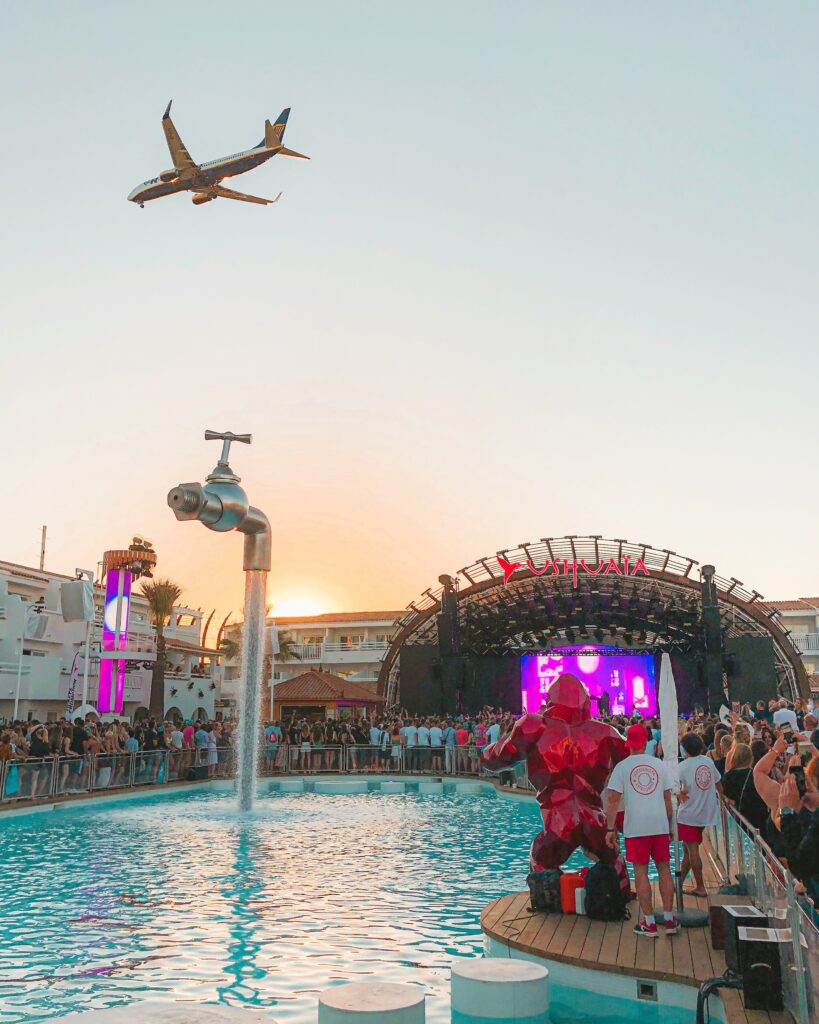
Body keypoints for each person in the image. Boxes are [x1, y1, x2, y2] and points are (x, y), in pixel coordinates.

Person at [606, 723, 677, 937]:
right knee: (664, 869)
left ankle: (649, 923)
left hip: (636, 827)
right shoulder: (659, 765)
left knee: (641, 872)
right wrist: (668, 825)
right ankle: (669, 919)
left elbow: (612, 800)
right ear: (646, 742)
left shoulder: (622, 768)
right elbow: (667, 799)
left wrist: (610, 828)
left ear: (628, 743)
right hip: (659, 825)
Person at [677, 733, 722, 897]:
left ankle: (700, 886)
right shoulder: (708, 762)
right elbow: (718, 782)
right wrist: (722, 799)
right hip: (704, 813)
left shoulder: (682, 767)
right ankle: (679, 883)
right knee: (687, 849)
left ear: (685, 749)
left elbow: (673, 788)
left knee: (692, 851)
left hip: (688, 814)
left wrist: (679, 794)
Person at [721, 742, 769, 831]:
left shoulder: (727, 776)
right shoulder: (754, 775)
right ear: (750, 757)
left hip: (736, 819)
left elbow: (726, 795)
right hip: (756, 816)